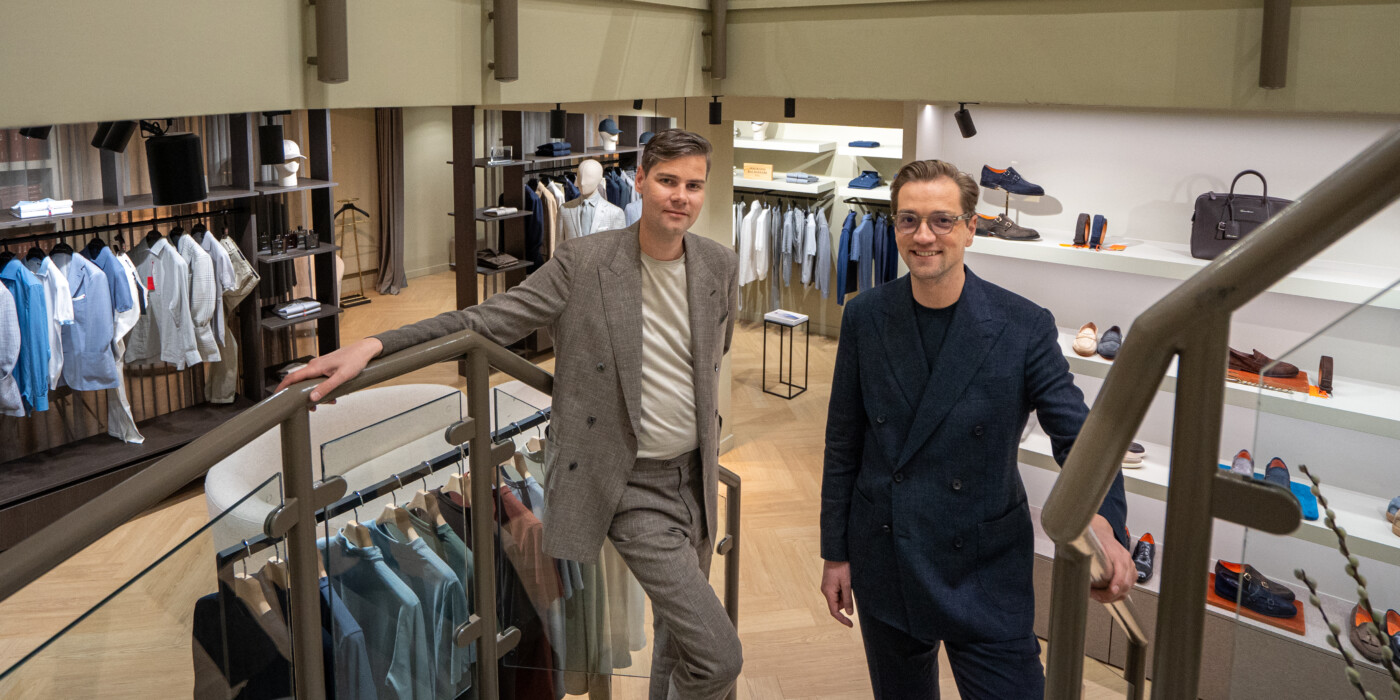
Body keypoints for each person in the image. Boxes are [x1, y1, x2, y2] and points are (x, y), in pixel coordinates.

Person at [278, 129, 743, 699]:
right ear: (640, 181)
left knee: (682, 641)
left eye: (694, 186)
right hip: (629, 485)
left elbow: (709, 362)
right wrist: (376, 345)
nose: (681, 197)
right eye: (668, 181)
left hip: (695, 477)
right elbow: (486, 320)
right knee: (720, 656)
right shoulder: (586, 261)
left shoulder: (719, 265)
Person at [818, 159, 1133, 699]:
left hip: (984, 568)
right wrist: (835, 551)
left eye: (942, 220)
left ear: (971, 228)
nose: (923, 236)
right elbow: (844, 442)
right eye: (908, 220)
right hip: (887, 553)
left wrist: (1102, 520)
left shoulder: (1023, 325)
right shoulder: (866, 317)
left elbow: (1079, 438)